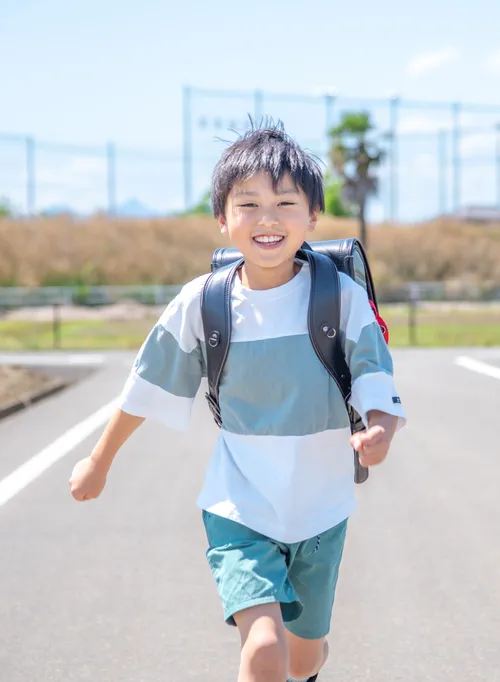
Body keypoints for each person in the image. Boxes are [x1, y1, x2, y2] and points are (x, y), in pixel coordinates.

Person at [69, 121, 407, 682]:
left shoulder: (339, 298)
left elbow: (376, 373)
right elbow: (146, 385)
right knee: (264, 650)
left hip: (322, 510)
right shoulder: (203, 303)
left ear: (313, 216)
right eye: (247, 203)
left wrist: (381, 430)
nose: (267, 218)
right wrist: (99, 460)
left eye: (285, 203)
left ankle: (310, 658)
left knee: (303, 658)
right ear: (223, 220)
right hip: (238, 508)